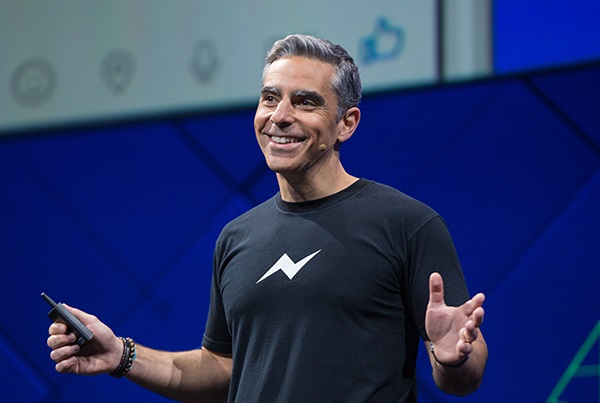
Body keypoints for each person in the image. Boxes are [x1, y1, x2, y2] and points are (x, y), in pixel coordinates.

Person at [47, 34, 487, 402]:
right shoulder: (237, 237)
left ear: (346, 124)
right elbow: (221, 368)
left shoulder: (407, 224)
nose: (280, 116)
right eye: (270, 98)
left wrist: (453, 357)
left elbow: (463, 375)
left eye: (305, 102)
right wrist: (122, 355)